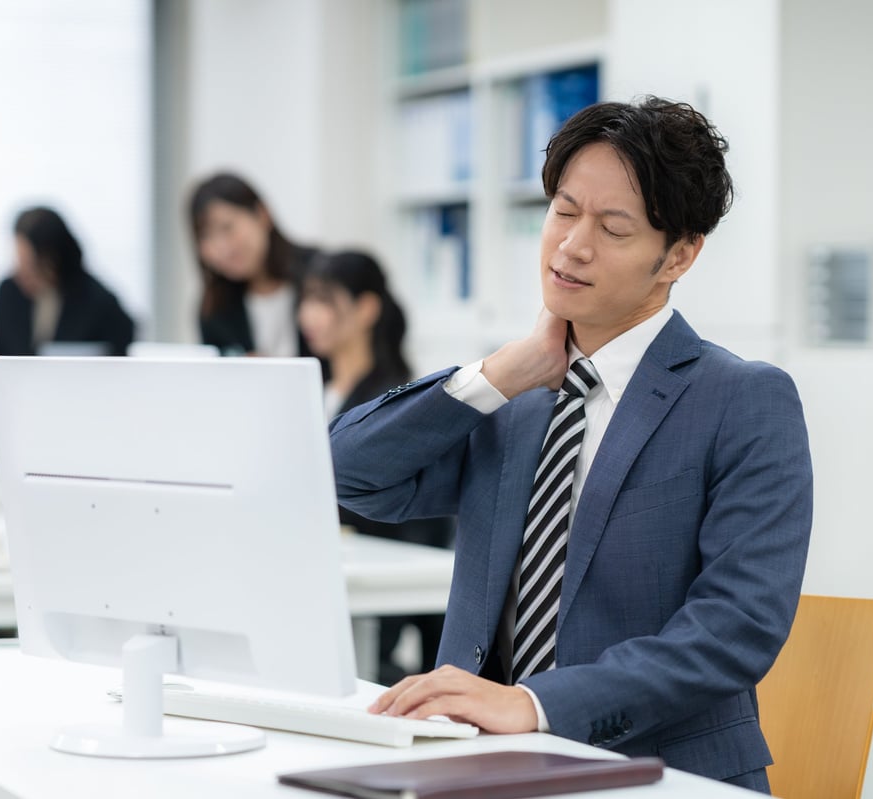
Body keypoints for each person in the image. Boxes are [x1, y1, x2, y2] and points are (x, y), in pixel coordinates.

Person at [329, 97, 812, 792]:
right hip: (472, 764)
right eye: (562, 210)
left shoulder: (742, 400)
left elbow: (736, 626)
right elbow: (344, 473)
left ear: (679, 253)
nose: (571, 245)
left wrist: (534, 704)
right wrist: (499, 373)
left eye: (613, 228)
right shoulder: (510, 394)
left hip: (655, 773)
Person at [297, 251, 454, 684]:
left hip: (373, 591)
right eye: (305, 300)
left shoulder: (393, 400)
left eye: (324, 300)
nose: (308, 314)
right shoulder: (310, 389)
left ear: (366, 309)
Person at [188, 173, 319, 356]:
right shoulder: (215, 308)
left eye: (227, 227)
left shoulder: (320, 272)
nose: (222, 248)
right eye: (206, 236)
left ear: (262, 214)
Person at [0, 206, 135, 357]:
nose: (22, 274)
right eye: (19, 261)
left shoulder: (99, 302)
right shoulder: (9, 291)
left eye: (31, 265)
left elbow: (120, 352)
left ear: (56, 258)